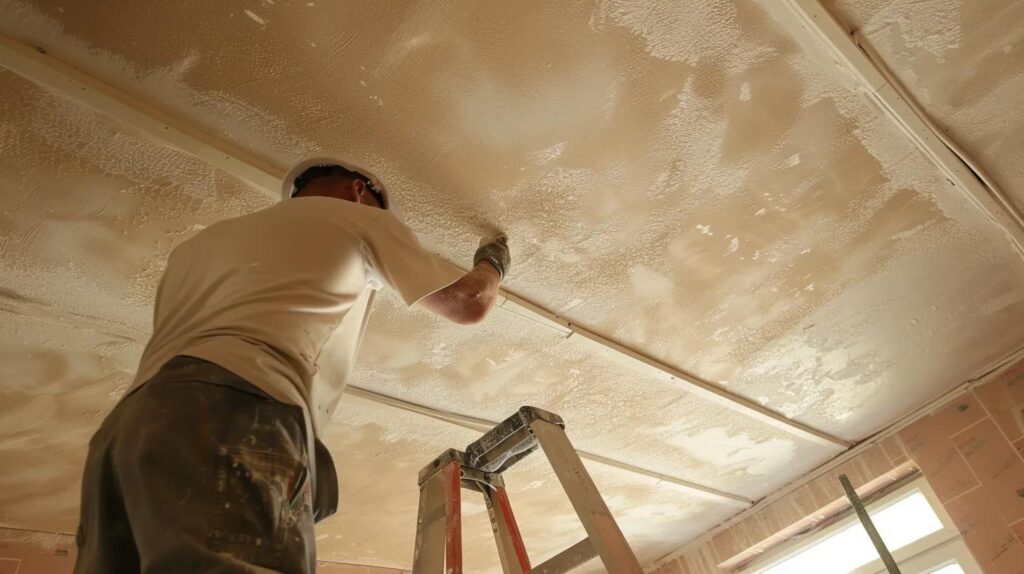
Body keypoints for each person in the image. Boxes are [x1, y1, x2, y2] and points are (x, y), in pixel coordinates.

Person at [73, 157, 511, 574]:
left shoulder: (194, 247)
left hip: (123, 433)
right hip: (233, 408)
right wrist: (492, 264)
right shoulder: (360, 219)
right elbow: (468, 301)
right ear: (358, 191)